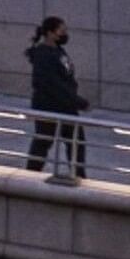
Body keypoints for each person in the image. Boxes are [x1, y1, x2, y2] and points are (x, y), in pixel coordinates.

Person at [26, 15, 89, 183]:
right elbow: (53, 84)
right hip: (51, 107)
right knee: (44, 141)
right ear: (50, 33)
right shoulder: (44, 55)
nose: (64, 34)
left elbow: (65, 78)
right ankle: (30, 174)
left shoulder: (58, 50)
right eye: (61, 31)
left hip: (65, 106)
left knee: (75, 141)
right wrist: (77, 101)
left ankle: (78, 174)